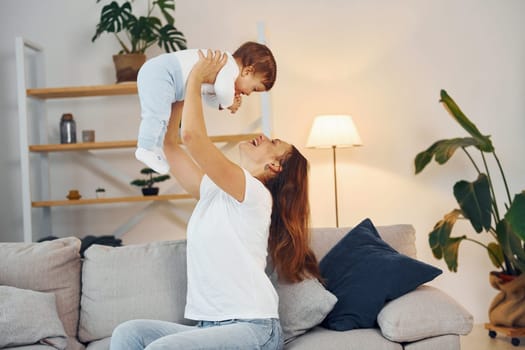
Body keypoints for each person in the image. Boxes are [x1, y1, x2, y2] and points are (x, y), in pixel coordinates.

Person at [110, 50, 320, 350]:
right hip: (211, 326)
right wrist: (180, 88)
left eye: (273, 143)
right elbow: (170, 144)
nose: (263, 136)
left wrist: (196, 76)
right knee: (128, 334)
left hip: (253, 328)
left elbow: (193, 138)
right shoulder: (217, 190)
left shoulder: (254, 194)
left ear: (275, 167)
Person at [135, 41, 277, 175]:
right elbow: (223, 90)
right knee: (157, 115)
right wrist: (229, 103)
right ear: (247, 71)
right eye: (254, 88)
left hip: (165, 78)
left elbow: (209, 97)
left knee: (162, 118)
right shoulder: (228, 66)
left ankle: (156, 148)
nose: (248, 93)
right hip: (162, 73)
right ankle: (145, 147)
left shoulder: (221, 73)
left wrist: (221, 104)